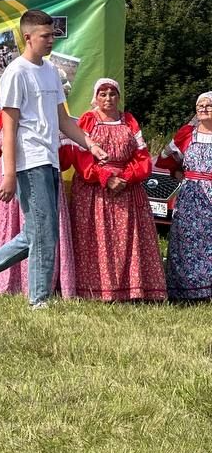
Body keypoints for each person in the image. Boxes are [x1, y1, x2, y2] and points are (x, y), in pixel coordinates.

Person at [0, 9, 108, 308]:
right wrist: (9, 172)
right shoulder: (15, 72)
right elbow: (9, 124)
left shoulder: (51, 71)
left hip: (49, 158)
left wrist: (89, 143)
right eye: (45, 36)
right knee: (44, 234)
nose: (51, 40)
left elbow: (62, 119)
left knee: (37, 232)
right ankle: (38, 301)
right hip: (29, 160)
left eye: (53, 35)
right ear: (27, 37)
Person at [67, 78, 166, 301]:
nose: (108, 99)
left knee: (128, 240)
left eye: (112, 94)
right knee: (96, 240)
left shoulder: (129, 120)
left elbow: (142, 158)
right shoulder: (88, 120)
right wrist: (105, 177)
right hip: (94, 189)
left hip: (126, 187)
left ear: (119, 97)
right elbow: (80, 156)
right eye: (103, 94)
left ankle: (132, 289)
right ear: (96, 97)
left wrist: (126, 176)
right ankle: (95, 289)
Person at [0, 110, 78, 298]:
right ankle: (9, 283)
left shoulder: (50, 110)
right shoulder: (4, 113)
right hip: (12, 175)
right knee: (22, 229)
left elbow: (66, 157)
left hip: (44, 171)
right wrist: (9, 171)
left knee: (40, 230)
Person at [157, 91, 212, 302]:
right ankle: (185, 291)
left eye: (208, 105)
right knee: (186, 241)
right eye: (200, 105)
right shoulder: (188, 134)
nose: (204, 109)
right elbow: (165, 159)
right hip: (190, 196)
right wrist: (179, 172)